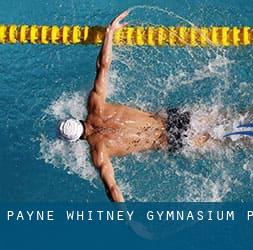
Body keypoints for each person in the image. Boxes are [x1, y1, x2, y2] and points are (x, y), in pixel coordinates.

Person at [58, 11, 210, 202]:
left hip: (171, 140)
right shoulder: (95, 105)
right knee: (226, 118)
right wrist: (109, 33)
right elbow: (103, 66)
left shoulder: (99, 152)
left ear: (76, 140)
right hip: (172, 118)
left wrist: (127, 220)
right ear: (76, 119)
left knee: (228, 141)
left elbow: (112, 188)